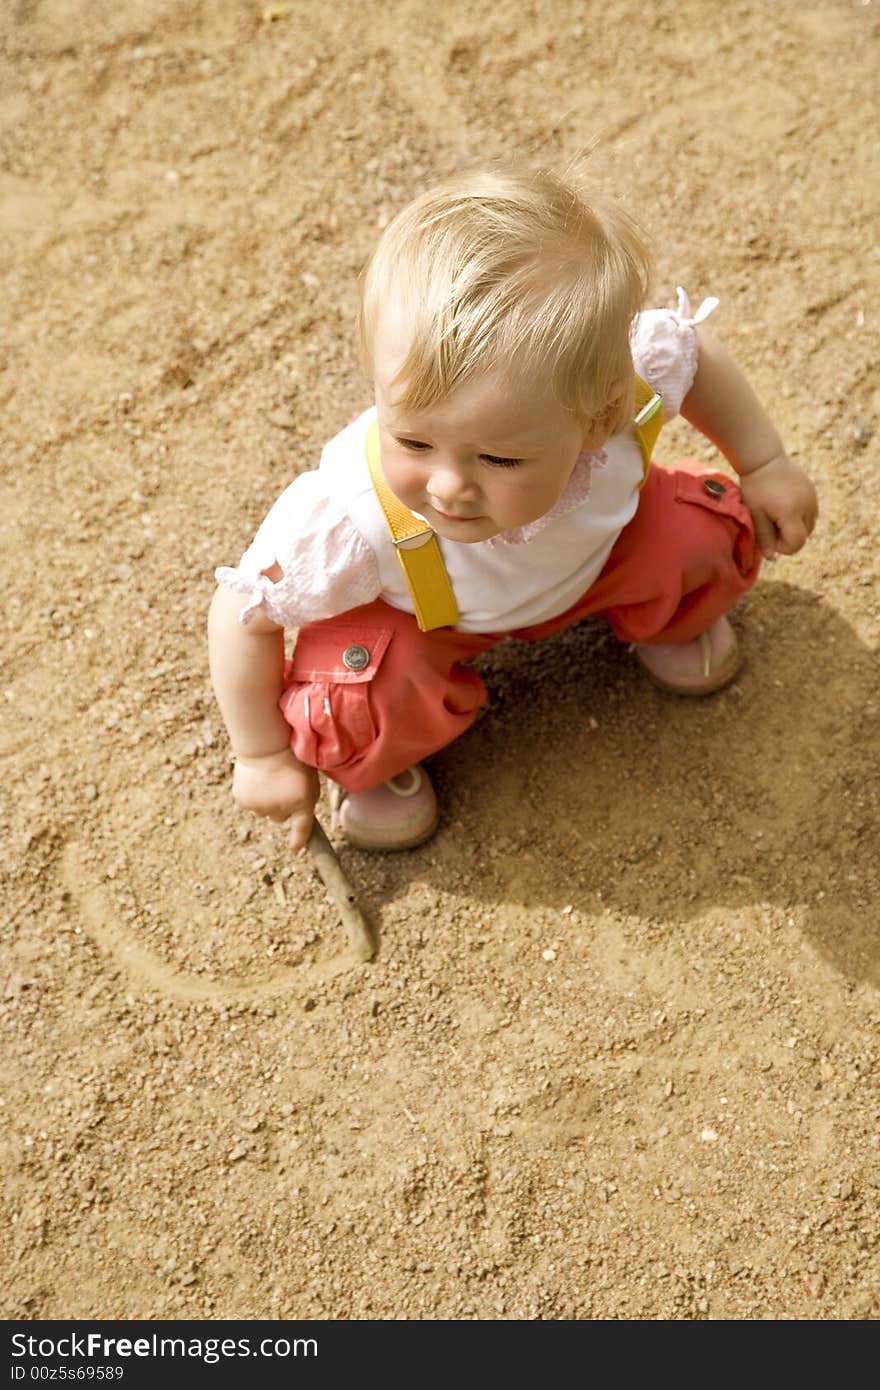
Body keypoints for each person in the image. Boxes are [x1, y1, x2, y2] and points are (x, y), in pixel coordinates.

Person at [208, 169, 817, 853]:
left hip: (597, 559)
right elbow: (242, 614)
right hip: (430, 619)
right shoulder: (350, 517)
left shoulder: (625, 383)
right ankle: (374, 762)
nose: (447, 486)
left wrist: (763, 462)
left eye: (499, 459)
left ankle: (669, 617)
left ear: (600, 416)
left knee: (700, 531)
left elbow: (695, 356)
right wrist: (261, 755)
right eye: (412, 438)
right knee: (356, 690)